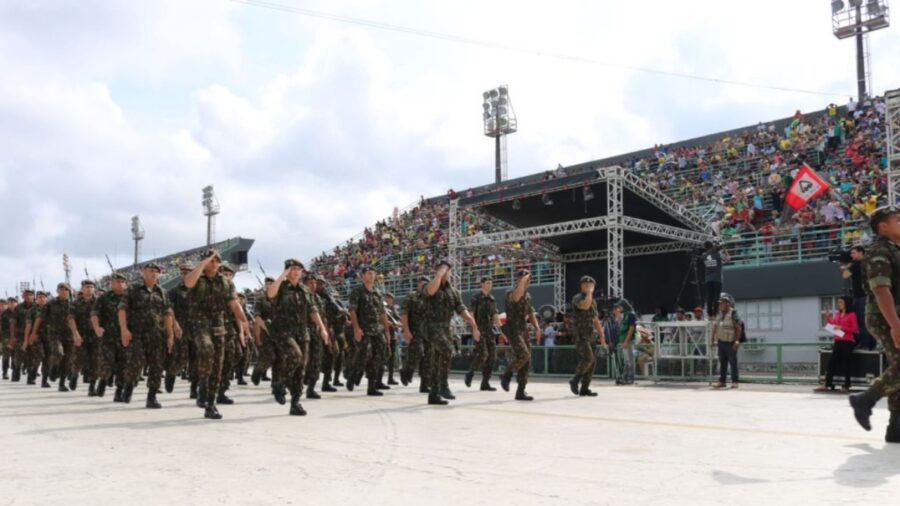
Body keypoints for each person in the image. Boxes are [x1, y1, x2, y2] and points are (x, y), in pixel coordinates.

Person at [849, 207, 900, 443]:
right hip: (884, 317)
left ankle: (896, 428)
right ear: (883, 227)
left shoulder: (895, 250)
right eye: (897, 220)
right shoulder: (879, 250)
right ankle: (866, 399)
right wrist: (895, 324)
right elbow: (881, 290)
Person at [186, 251, 250, 418]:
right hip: (200, 324)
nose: (213, 263)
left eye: (216, 261)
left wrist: (244, 322)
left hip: (219, 326)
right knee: (207, 349)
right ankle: (202, 384)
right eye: (210, 260)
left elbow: (234, 305)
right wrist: (202, 263)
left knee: (218, 367)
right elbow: (188, 281)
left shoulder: (225, 282)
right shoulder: (197, 278)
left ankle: (210, 404)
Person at [117, 262, 175, 409]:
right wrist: (124, 329)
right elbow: (122, 310)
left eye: (157, 271)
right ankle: (129, 385)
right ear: (144, 272)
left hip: (157, 335)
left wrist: (170, 334)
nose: (154, 273)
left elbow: (167, 314)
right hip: (137, 334)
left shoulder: (162, 292)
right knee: (136, 361)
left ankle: (152, 397)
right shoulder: (133, 290)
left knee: (157, 365)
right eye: (151, 270)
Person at [422, 259, 479, 405]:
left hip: (446, 328)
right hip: (431, 327)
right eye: (442, 268)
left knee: (436, 361)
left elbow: (461, 309)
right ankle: (443, 386)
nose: (446, 271)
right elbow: (431, 290)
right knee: (448, 350)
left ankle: (433, 395)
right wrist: (439, 273)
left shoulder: (452, 291)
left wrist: (473, 324)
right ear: (437, 270)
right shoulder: (430, 285)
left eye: (448, 269)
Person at [29, 283, 81, 392]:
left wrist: (77, 335)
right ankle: (52, 369)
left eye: (66, 290)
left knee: (67, 361)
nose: (64, 292)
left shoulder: (74, 304)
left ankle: (61, 384)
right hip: (54, 334)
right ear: (57, 291)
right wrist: (33, 333)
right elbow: (39, 319)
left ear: (69, 292)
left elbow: (77, 321)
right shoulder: (50, 304)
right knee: (58, 353)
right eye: (61, 289)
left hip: (69, 336)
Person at [347, 265, 390, 396]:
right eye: (369, 273)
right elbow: (352, 310)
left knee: (378, 356)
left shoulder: (377, 292)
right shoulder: (357, 291)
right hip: (364, 328)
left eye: (373, 273)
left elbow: (382, 314)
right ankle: (355, 372)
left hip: (377, 329)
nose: (372, 276)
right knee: (365, 353)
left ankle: (371, 386)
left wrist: (387, 331)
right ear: (363, 276)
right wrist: (356, 328)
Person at [499, 269, 540, 401]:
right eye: (523, 279)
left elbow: (531, 313)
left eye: (528, 280)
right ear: (518, 280)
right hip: (513, 328)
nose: (527, 281)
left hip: (523, 328)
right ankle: (506, 374)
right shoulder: (510, 293)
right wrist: (522, 282)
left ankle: (521, 391)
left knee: (527, 361)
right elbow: (516, 297)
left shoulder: (528, 296)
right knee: (523, 354)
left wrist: (537, 328)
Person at [568, 276, 607, 397]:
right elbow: (584, 306)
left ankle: (584, 388)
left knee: (593, 362)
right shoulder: (577, 298)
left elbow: (595, 319)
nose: (588, 287)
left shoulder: (593, 302)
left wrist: (602, 336)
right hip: (580, 334)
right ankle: (575, 380)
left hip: (591, 334)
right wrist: (589, 293)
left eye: (590, 286)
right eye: (585, 285)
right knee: (588, 358)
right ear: (581, 286)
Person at [91, 272, 127, 399]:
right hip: (108, 336)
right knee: (107, 362)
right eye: (117, 281)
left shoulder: (129, 297)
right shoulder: (103, 298)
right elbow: (94, 313)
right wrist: (96, 327)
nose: (120, 283)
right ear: (111, 283)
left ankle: (119, 391)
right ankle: (103, 380)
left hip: (124, 337)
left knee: (123, 364)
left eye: (123, 281)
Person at [464, 276, 501, 391]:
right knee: (483, 354)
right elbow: (471, 313)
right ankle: (470, 374)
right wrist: (474, 329)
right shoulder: (476, 297)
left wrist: (502, 328)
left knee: (492, 356)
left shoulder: (491, 299)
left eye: (491, 283)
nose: (489, 285)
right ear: (482, 284)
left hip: (489, 330)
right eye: (487, 283)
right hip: (479, 329)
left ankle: (485, 383)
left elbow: (495, 314)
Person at [815, 296, 858, 393]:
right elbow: (833, 324)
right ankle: (826, 384)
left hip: (847, 342)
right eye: (838, 302)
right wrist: (828, 317)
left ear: (846, 303)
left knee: (846, 364)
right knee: (831, 363)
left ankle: (846, 385)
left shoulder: (852, 314)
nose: (839, 304)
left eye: (840, 302)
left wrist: (842, 327)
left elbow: (854, 329)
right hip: (838, 341)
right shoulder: (838, 314)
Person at [399, 275, 431, 393]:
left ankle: (424, 384)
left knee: (427, 358)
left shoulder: (431, 298)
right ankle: (407, 371)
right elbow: (404, 313)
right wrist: (406, 330)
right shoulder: (411, 297)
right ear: (418, 285)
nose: (424, 287)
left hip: (428, 333)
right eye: (422, 285)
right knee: (417, 353)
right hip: (414, 331)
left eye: (426, 285)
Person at [166, 265, 193, 397]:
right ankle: (171, 373)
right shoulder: (174, 291)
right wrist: (175, 324)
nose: (185, 274)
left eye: (188, 272)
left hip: (198, 328)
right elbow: (169, 309)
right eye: (183, 273)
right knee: (182, 358)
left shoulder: (200, 289)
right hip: (181, 327)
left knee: (198, 358)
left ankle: (195, 389)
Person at [68, 280, 98, 396]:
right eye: (86, 287)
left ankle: (92, 387)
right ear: (82, 289)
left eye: (91, 287)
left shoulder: (99, 303)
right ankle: (74, 375)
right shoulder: (75, 303)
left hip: (95, 336)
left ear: (94, 289)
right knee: (78, 359)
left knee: (95, 361)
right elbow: (71, 319)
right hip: (80, 335)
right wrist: (75, 333)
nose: (89, 289)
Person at [317, 275, 347, 391]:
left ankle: (329, 380)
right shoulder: (313, 297)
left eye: (322, 283)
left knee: (336, 354)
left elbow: (337, 315)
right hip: (317, 330)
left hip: (331, 331)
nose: (320, 285)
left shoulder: (329, 299)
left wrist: (341, 315)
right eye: (318, 283)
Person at [843, 246, 876, 350]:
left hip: (860, 297)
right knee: (868, 321)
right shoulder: (868, 262)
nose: (851, 255)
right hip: (868, 295)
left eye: (853, 253)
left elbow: (845, 275)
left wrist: (847, 267)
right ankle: (871, 344)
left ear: (861, 253)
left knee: (861, 321)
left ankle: (864, 344)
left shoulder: (857, 264)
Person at [711, 293, 742, 389]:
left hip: (731, 342)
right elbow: (715, 326)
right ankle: (722, 381)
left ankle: (735, 381)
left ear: (727, 304)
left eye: (722, 303)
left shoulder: (733, 313)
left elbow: (738, 328)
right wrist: (712, 339)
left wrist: (737, 341)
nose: (720, 305)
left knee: (733, 362)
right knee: (722, 362)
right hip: (721, 342)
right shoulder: (720, 314)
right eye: (719, 303)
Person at [702, 242, 729, 318]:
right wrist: (724, 249)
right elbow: (728, 259)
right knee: (716, 297)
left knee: (709, 297)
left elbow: (709, 253)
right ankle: (715, 313)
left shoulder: (704, 255)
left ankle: (709, 313)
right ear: (712, 246)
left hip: (708, 279)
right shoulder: (718, 254)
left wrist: (717, 248)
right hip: (717, 279)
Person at [613, 300, 637, 385]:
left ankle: (630, 378)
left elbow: (631, 328)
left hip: (628, 340)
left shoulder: (631, 314)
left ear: (624, 306)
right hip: (624, 340)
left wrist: (626, 341)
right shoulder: (625, 315)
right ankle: (625, 377)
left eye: (619, 306)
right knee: (626, 360)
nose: (618, 308)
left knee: (629, 360)